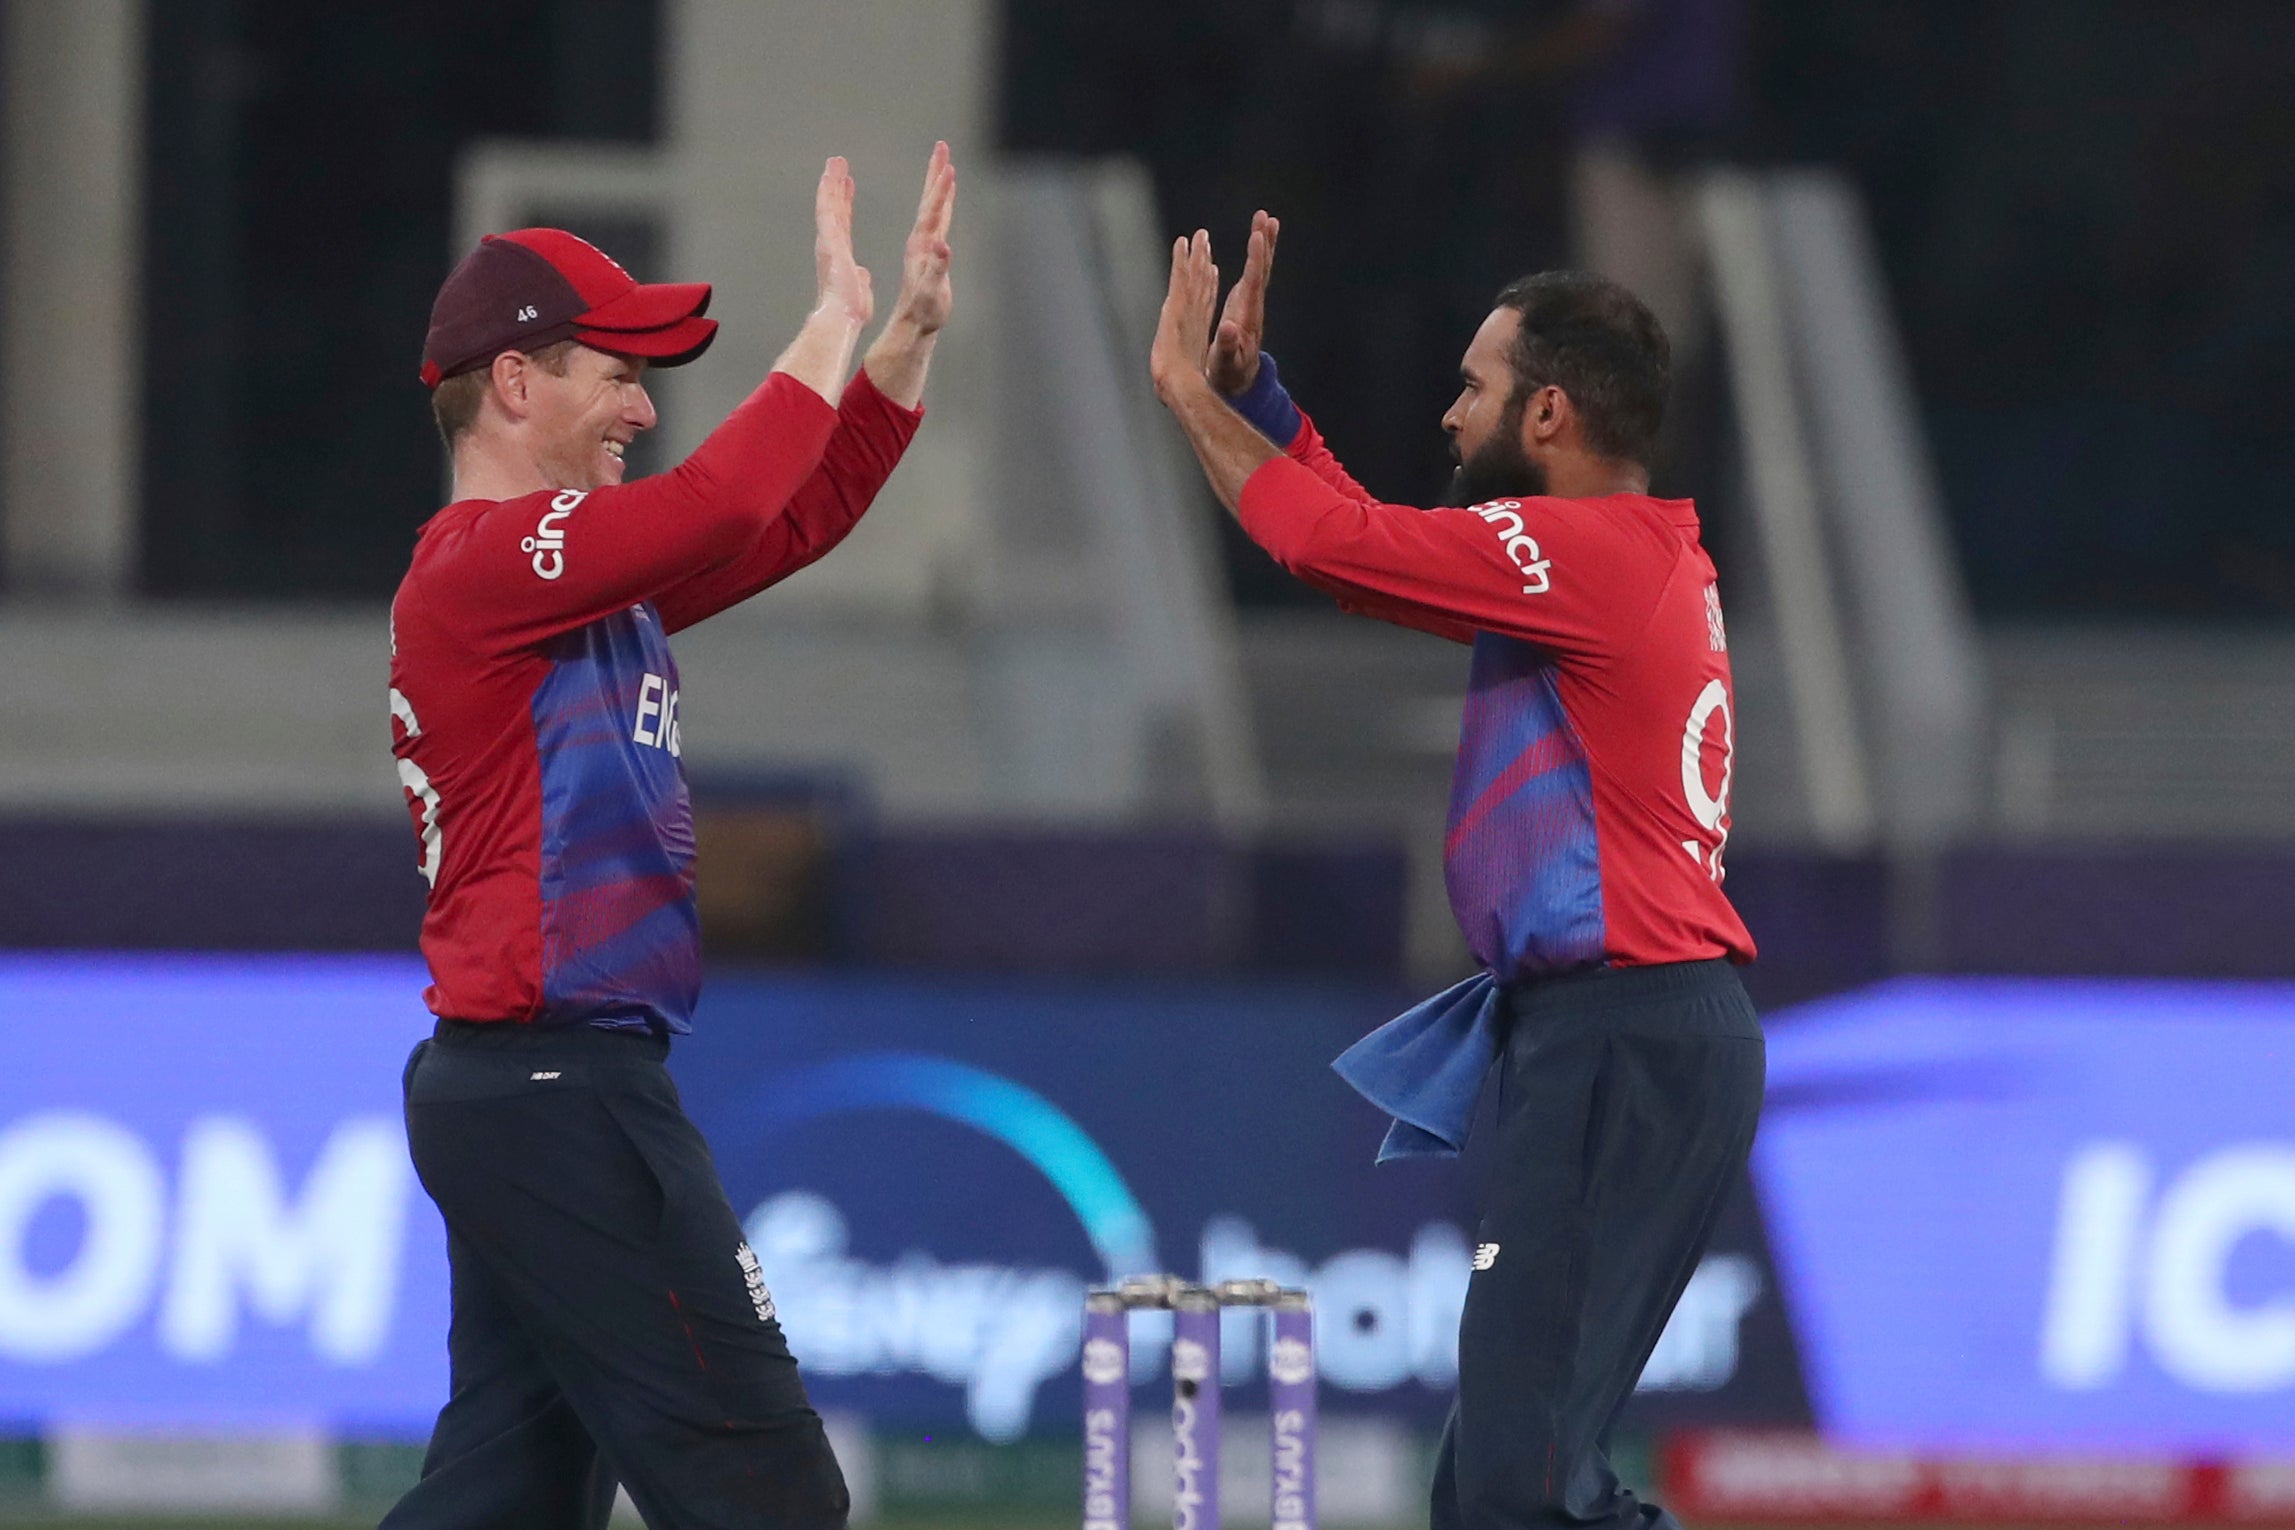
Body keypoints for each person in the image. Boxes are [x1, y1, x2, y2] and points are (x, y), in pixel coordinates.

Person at [1147, 215, 1762, 1530]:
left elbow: (1328, 549)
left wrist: (1193, 403)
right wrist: (1258, 396)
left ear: (1545, 411)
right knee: (1497, 1484)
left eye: (1473, 386)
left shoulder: (1594, 555)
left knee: (1517, 1491)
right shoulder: (1618, 552)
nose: (1446, 411)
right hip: (1626, 1034)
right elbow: (1366, 537)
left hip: (1625, 1034)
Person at [381, 145, 955, 1530]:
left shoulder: (564, 585)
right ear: (515, 383)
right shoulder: (481, 565)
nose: (644, 405)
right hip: (557, 1094)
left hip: (531, 1092)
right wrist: (819, 321)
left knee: (500, 1501)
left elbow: (792, 517)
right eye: (616, 372)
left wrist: (899, 349)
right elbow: (732, 500)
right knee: (772, 1497)